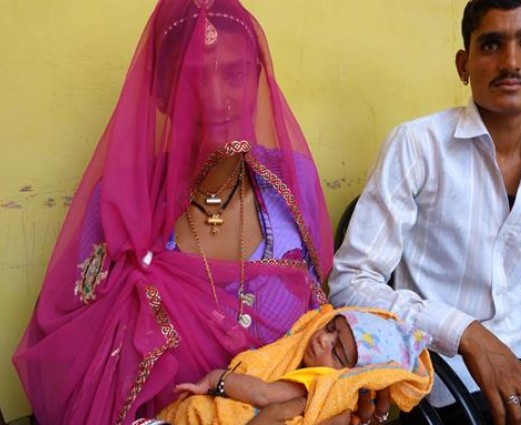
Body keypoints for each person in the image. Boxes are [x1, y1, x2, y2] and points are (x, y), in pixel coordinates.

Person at [12, 1, 334, 424]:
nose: (215, 99)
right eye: (191, 79)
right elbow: (82, 363)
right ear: (161, 94)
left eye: (234, 75)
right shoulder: (123, 204)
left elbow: (324, 329)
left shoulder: (292, 184)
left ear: (256, 80)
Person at [328, 1, 521, 424]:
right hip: (449, 387)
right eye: (491, 44)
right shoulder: (417, 147)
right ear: (464, 64)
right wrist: (466, 333)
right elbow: (350, 283)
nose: (511, 61)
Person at [156, 305, 433, 425]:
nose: (323, 340)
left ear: (354, 377)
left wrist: (216, 379)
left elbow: (263, 394)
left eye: (337, 352)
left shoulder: (318, 380)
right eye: (330, 328)